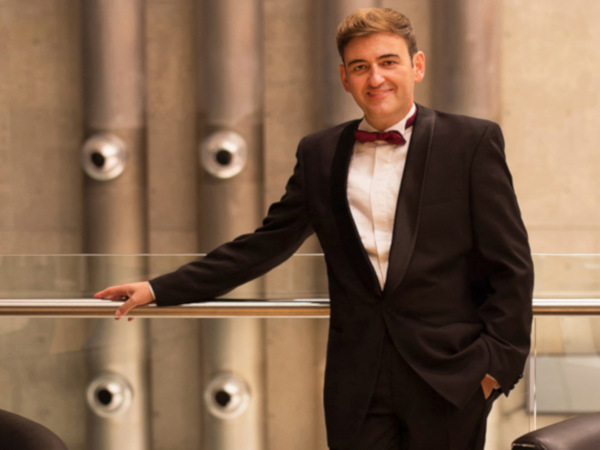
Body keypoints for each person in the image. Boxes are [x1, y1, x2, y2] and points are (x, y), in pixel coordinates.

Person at [96, 8, 533, 450]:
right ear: (344, 78)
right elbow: (264, 245)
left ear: (416, 66)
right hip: (358, 384)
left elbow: (510, 264)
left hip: (451, 377)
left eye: (388, 62)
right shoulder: (319, 153)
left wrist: (496, 367)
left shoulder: (470, 143)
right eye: (360, 67)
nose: (375, 78)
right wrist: (159, 288)